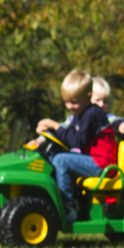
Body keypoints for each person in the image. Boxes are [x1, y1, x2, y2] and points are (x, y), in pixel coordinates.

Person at [34, 70, 117, 221]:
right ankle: (67, 199)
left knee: (61, 160)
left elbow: (77, 141)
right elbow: (69, 135)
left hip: (102, 163)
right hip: (91, 159)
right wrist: (49, 132)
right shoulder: (80, 113)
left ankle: (68, 205)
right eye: (66, 101)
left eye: (73, 102)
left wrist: (55, 126)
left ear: (88, 96)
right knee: (53, 156)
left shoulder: (92, 114)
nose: (69, 106)